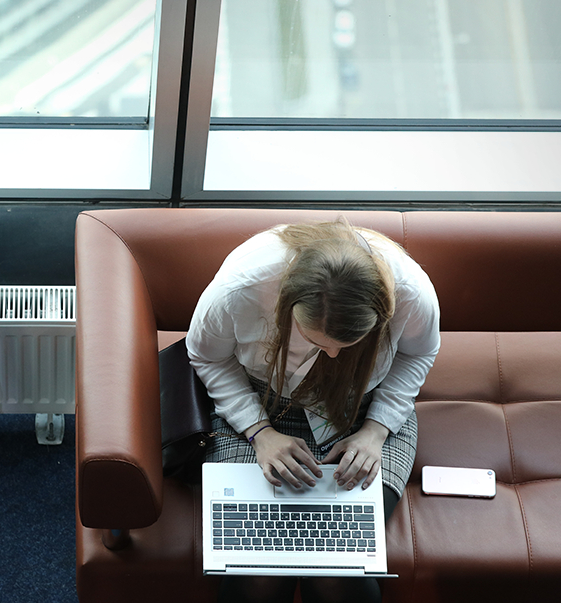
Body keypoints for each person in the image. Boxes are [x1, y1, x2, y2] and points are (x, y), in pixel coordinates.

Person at [186, 220, 441, 603]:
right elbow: (206, 357)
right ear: (286, 303)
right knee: (258, 575)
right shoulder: (239, 289)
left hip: (365, 409)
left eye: (348, 343)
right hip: (259, 402)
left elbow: (418, 352)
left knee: (338, 575)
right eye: (313, 339)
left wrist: (376, 430)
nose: (333, 355)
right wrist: (260, 432)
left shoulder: (412, 292)